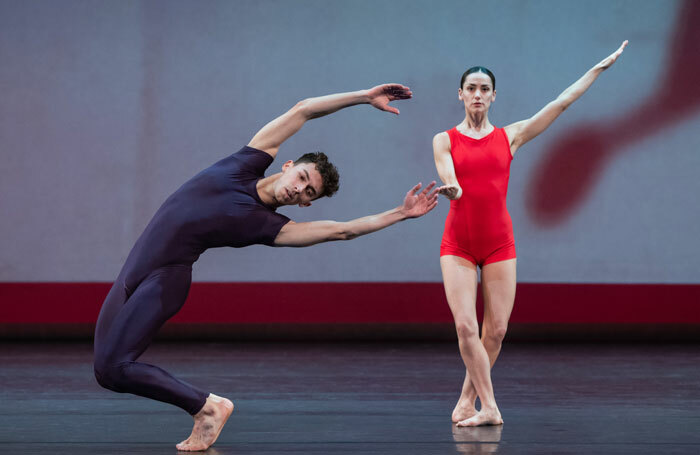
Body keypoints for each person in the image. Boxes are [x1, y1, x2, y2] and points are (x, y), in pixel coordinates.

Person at [93, 83, 438, 451]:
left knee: (117, 368)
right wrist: (364, 97)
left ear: (307, 205)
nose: (299, 190)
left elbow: (342, 231)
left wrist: (400, 214)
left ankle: (207, 407)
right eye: (302, 178)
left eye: (309, 194)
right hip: (133, 272)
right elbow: (303, 109)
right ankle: (205, 407)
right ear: (289, 165)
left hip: (164, 281)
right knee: (105, 371)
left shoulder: (269, 226)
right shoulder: (247, 163)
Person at [433, 41, 628, 427]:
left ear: (493, 96)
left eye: (484, 89)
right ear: (460, 94)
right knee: (465, 326)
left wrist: (598, 69)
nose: (477, 94)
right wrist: (452, 187)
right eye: (470, 88)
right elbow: (447, 172)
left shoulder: (511, 136)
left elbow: (560, 104)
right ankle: (490, 407)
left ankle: (465, 402)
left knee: (497, 331)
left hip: (499, 242)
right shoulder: (444, 139)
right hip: (457, 242)